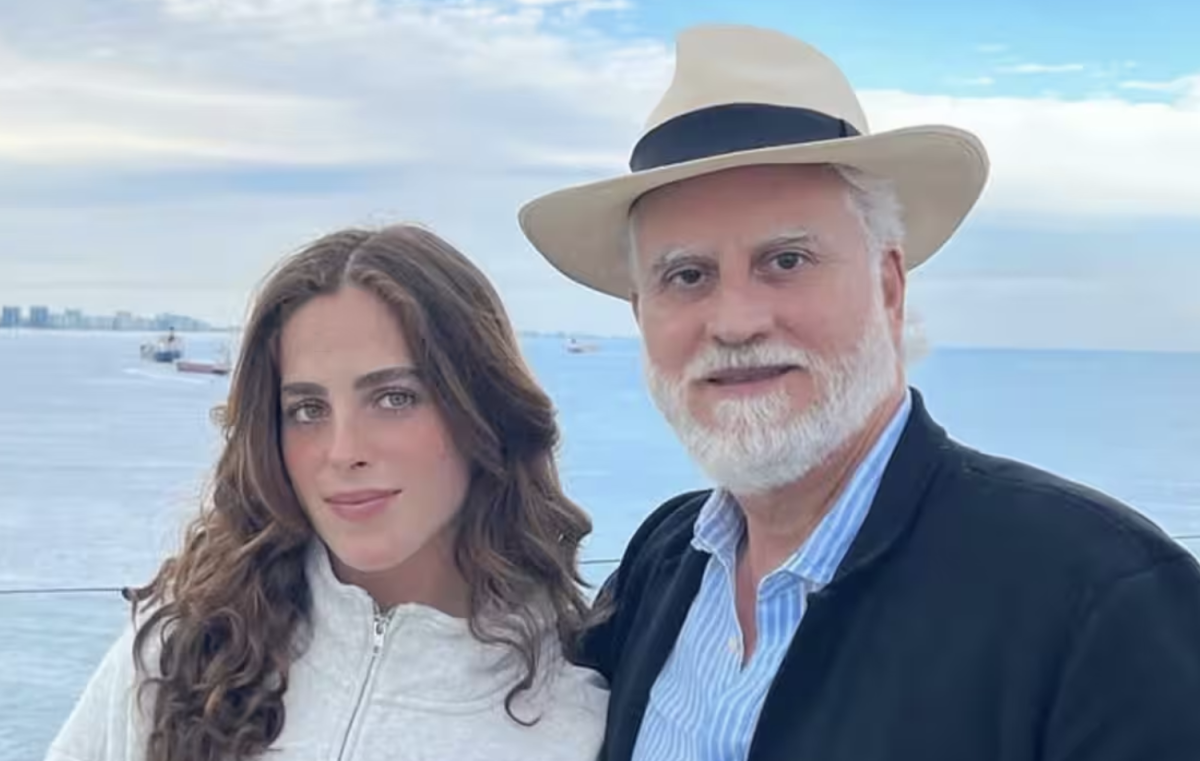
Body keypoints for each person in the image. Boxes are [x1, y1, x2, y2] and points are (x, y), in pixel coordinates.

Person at [518, 23, 1200, 761]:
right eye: (687, 275)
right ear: (640, 315)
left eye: (786, 260)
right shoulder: (661, 564)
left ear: (888, 285)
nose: (736, 321)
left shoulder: (1100, 601)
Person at [45, 224, 609, 761]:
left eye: (394, 398)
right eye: (307, 409)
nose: (343, 451)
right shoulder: (184, 645)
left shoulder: (573, 718)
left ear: (483, 410)